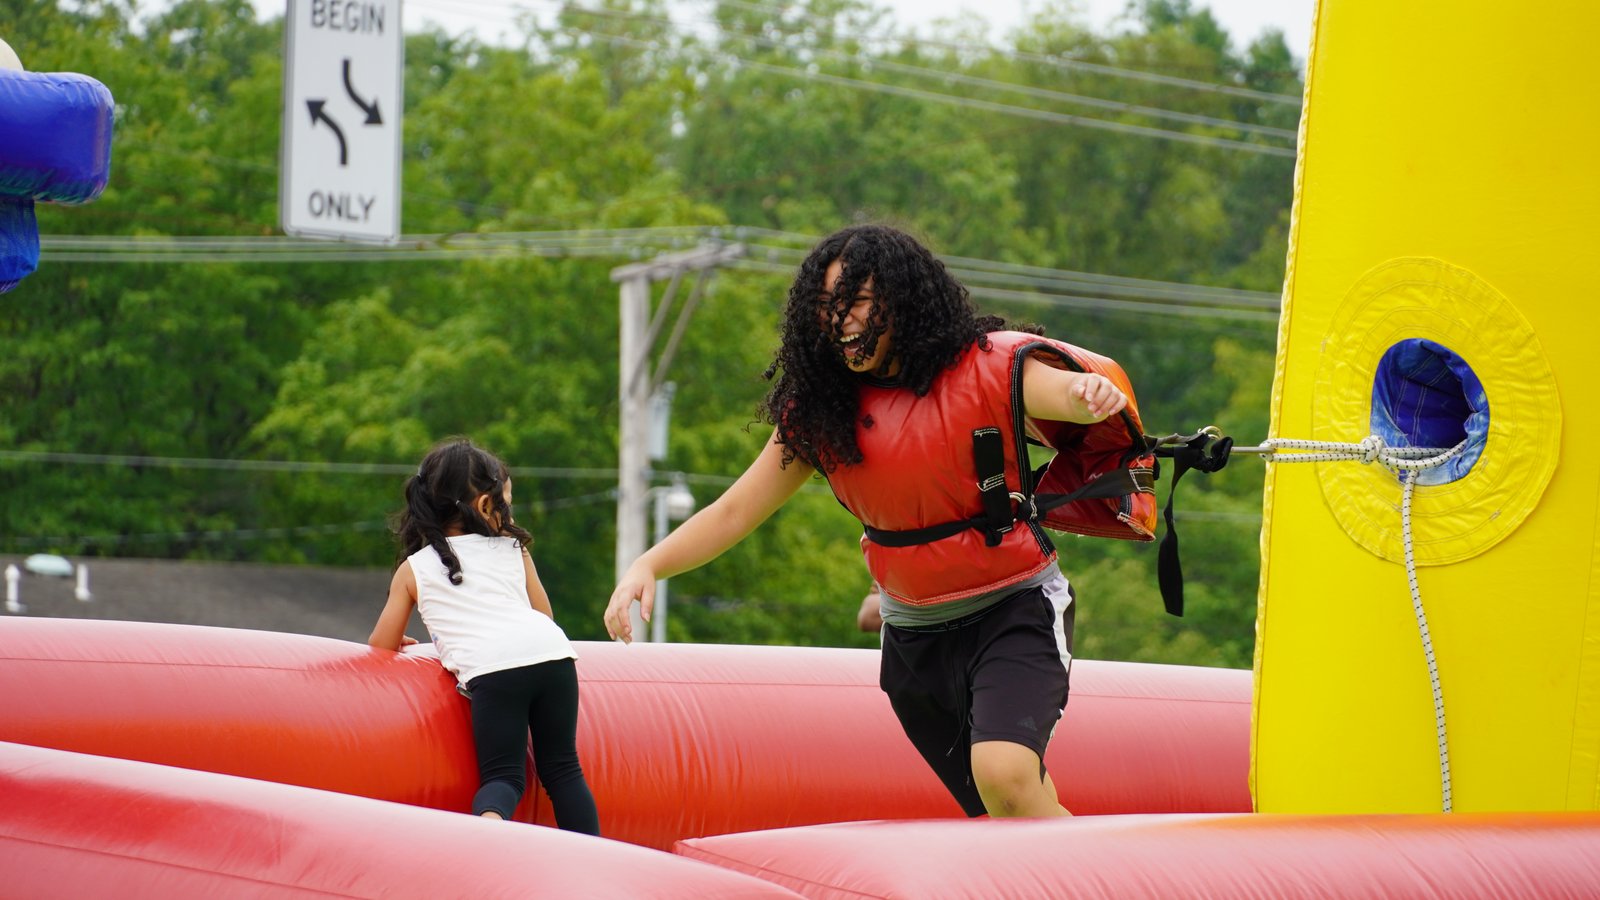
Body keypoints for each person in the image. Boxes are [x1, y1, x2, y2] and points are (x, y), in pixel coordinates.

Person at [604, 224, 1156, 819]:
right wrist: (649, 562)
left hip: (1012, 610)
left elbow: (1064, 393)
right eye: (828, 307)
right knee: (1005, 812)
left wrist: (1089, 392)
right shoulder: (821, 412)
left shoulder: (987, 367)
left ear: (902, 301)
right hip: (915, 640)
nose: (841, 319)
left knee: (1006, 776)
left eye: (858, 302)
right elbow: (736, 509)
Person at [371, 438, 601, 835]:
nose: (508, 511)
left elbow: (379, 646)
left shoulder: (414, 569)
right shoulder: (513, 549)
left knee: (505, 779)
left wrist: (407, 641)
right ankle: (596, 860)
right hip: (554, 655)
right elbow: (543, 614)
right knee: (563, 770)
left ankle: (487, 839)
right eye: (505, 501)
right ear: (483, 505)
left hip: (496, 670)